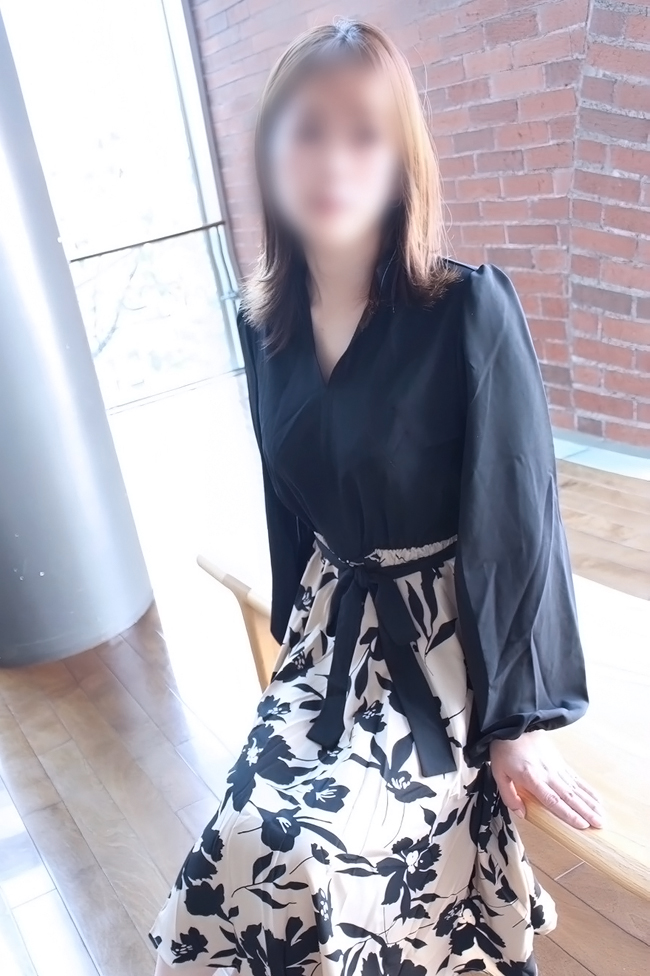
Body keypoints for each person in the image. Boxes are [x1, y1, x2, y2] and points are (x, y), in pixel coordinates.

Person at [149, 20, 602, 976]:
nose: (332, 160)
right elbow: (289, 508)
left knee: (312, 860)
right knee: (238, 845)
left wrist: (514, 724)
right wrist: (295, 659)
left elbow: (520, 522)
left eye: (365, 134)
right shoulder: (264, 323)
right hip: (332, 635)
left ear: (402, 162)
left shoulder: (465, 310)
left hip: (446, 648)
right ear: (270, 148)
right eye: (308, 129)